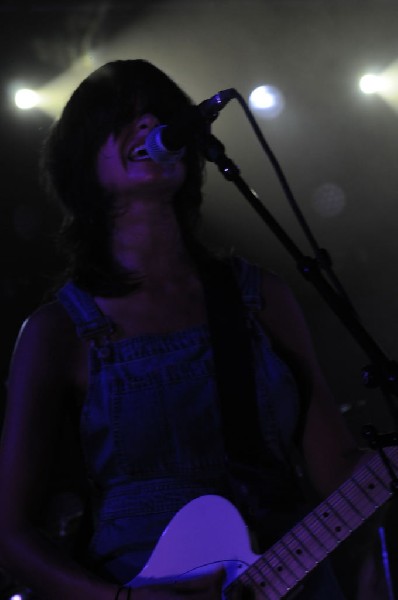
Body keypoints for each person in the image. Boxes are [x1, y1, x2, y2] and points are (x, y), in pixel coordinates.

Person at [0, 59, 384, 600]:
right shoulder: (59, 330)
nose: (149, 124)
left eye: (159, 113)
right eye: (122, 116)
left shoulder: (260, 297)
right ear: (81, 158)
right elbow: (10, 534)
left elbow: (338, 472)